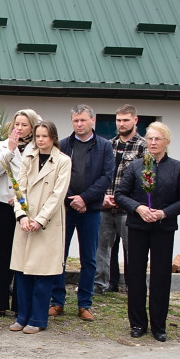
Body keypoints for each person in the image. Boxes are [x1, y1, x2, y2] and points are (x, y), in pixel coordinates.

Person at [115, 122, 180, 341]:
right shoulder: (136, 166)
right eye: (149, 138)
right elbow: (121, 194)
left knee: (160, 276)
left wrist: (164, 213)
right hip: (138, 226)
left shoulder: (177, 167)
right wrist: (138, 208)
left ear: (167, 142)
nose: (153, 142)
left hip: (163, 228)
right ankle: (138, 323)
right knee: (136, 274)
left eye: (158, 138)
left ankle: (159, 324)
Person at [49, 104, 114, 321]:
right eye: (76, 121)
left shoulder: (104, 146)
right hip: (66, 208)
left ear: (92, 121)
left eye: (83, 120)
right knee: (60, 255)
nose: (79, 124)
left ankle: (85, 303)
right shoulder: (64, 145)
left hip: (91, 209)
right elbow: (56, 175)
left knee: (89, 258)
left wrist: (85, 198)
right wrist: (72, 198)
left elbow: (106, 177)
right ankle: (57, 301)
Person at [10, 121, 71, 333]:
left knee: (43, 273)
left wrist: (40, 219)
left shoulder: (63, 161)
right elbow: (19, 189)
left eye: (45, 136)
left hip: (47, 224)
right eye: (38, 136)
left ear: (53, 137)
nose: (41, 140)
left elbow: (58, 194)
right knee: (23, 271)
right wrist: (22, 215)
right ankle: (22, 316)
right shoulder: (28, 158)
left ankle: (37, 319)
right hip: (26, 222)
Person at [0, 109, 40, 317]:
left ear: (32, 127)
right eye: (16, 124)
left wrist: (22, 198)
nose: (18, 128)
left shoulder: (38, 147)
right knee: (4, 253)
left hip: (26, 207)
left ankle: (20, 302)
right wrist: (9, 151)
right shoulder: (2, 146)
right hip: (2, 205)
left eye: (24, 125)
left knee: (23, 254)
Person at [96, 105, 147, 294]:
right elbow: (100, 174)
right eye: (119, 120)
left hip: (128, 209)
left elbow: (146, 179)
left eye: (126, 120)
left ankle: (133, 286)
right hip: (105, 205)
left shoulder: (143, 146)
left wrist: (126, 200)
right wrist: (103, 197)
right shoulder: (108, 145)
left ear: (135, 120)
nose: (122, 124)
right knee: (102, 248)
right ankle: (102, 284)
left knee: (132, 250)